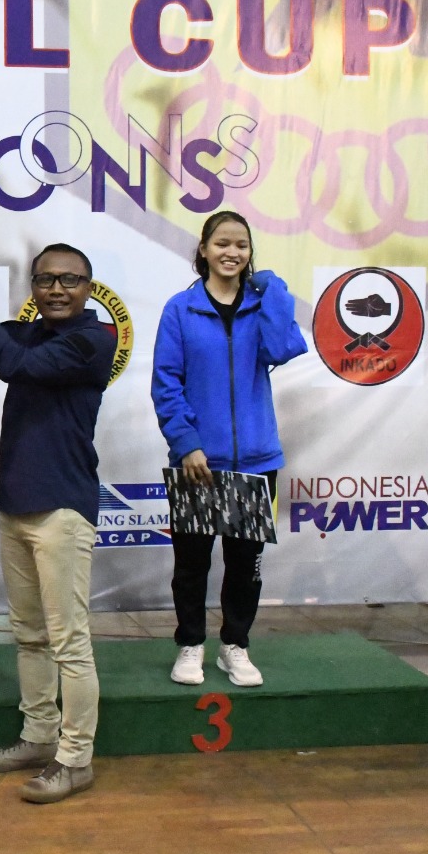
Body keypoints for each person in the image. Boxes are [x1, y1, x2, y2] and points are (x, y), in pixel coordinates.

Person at [0, 245, 115, 804]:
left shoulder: (93, 339)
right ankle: (40, 736)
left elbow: (13, 365)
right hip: (16, 503)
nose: (57, 289)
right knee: (30, 634)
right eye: (45, 280)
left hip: (62, 508)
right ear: (34, 287)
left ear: (88, 287)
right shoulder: (32, 332)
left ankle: (76, 759)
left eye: (69, 279)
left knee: (69, 642)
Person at [150, 210, 306, 688]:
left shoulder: (262, 305)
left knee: (245, 566)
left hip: (257, 461)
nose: (231, 252)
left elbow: (282, 348)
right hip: (198, 463)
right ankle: (191, 645)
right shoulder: (180, 309)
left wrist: (274, 288)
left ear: (250, 253)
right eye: (222, 243)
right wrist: (187, 444)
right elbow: (166, 383)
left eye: (241, 245)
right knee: (191, 566)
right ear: (203, 249)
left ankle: (235, 646)